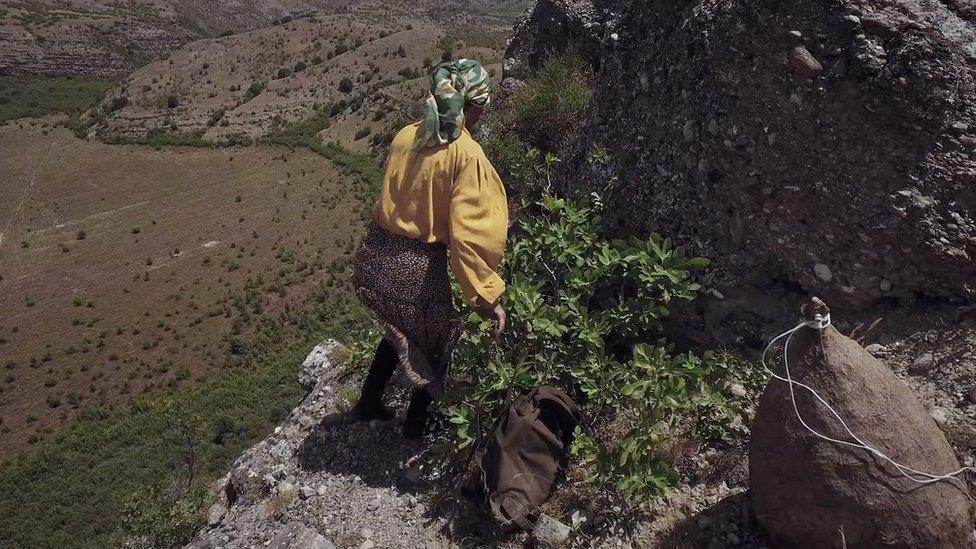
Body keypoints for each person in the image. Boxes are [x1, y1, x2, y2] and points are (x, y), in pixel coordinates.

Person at [350, 59, 509, 438]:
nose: (483, 116)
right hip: (414, 269)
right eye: (481, 108)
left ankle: (369, 404)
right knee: (440, 343)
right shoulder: (466, 155)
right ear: (470, 108)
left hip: (375, 255)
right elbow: (471, 236)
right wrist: (487, 296)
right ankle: (417, 426)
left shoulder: (407, 134)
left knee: (402, 328)